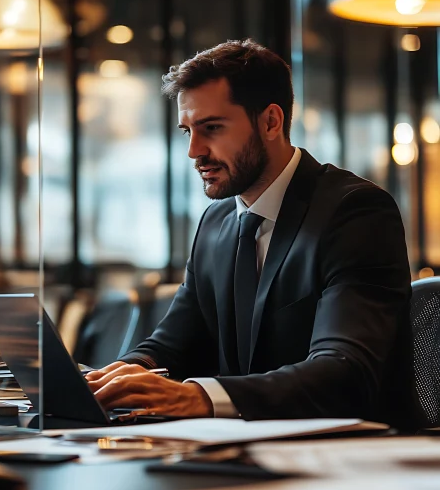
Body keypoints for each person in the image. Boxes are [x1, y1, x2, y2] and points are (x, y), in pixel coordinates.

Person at [87, 39, 418, 426]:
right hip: (243, 451)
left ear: (271, 122)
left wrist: (198, 397)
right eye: (187, 131)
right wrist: (117, 377)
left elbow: (344, 372)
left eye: (211, 128)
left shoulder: (354, 212)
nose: (194, 150)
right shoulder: (216, 224)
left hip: (343, 460)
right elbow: (171, 344)